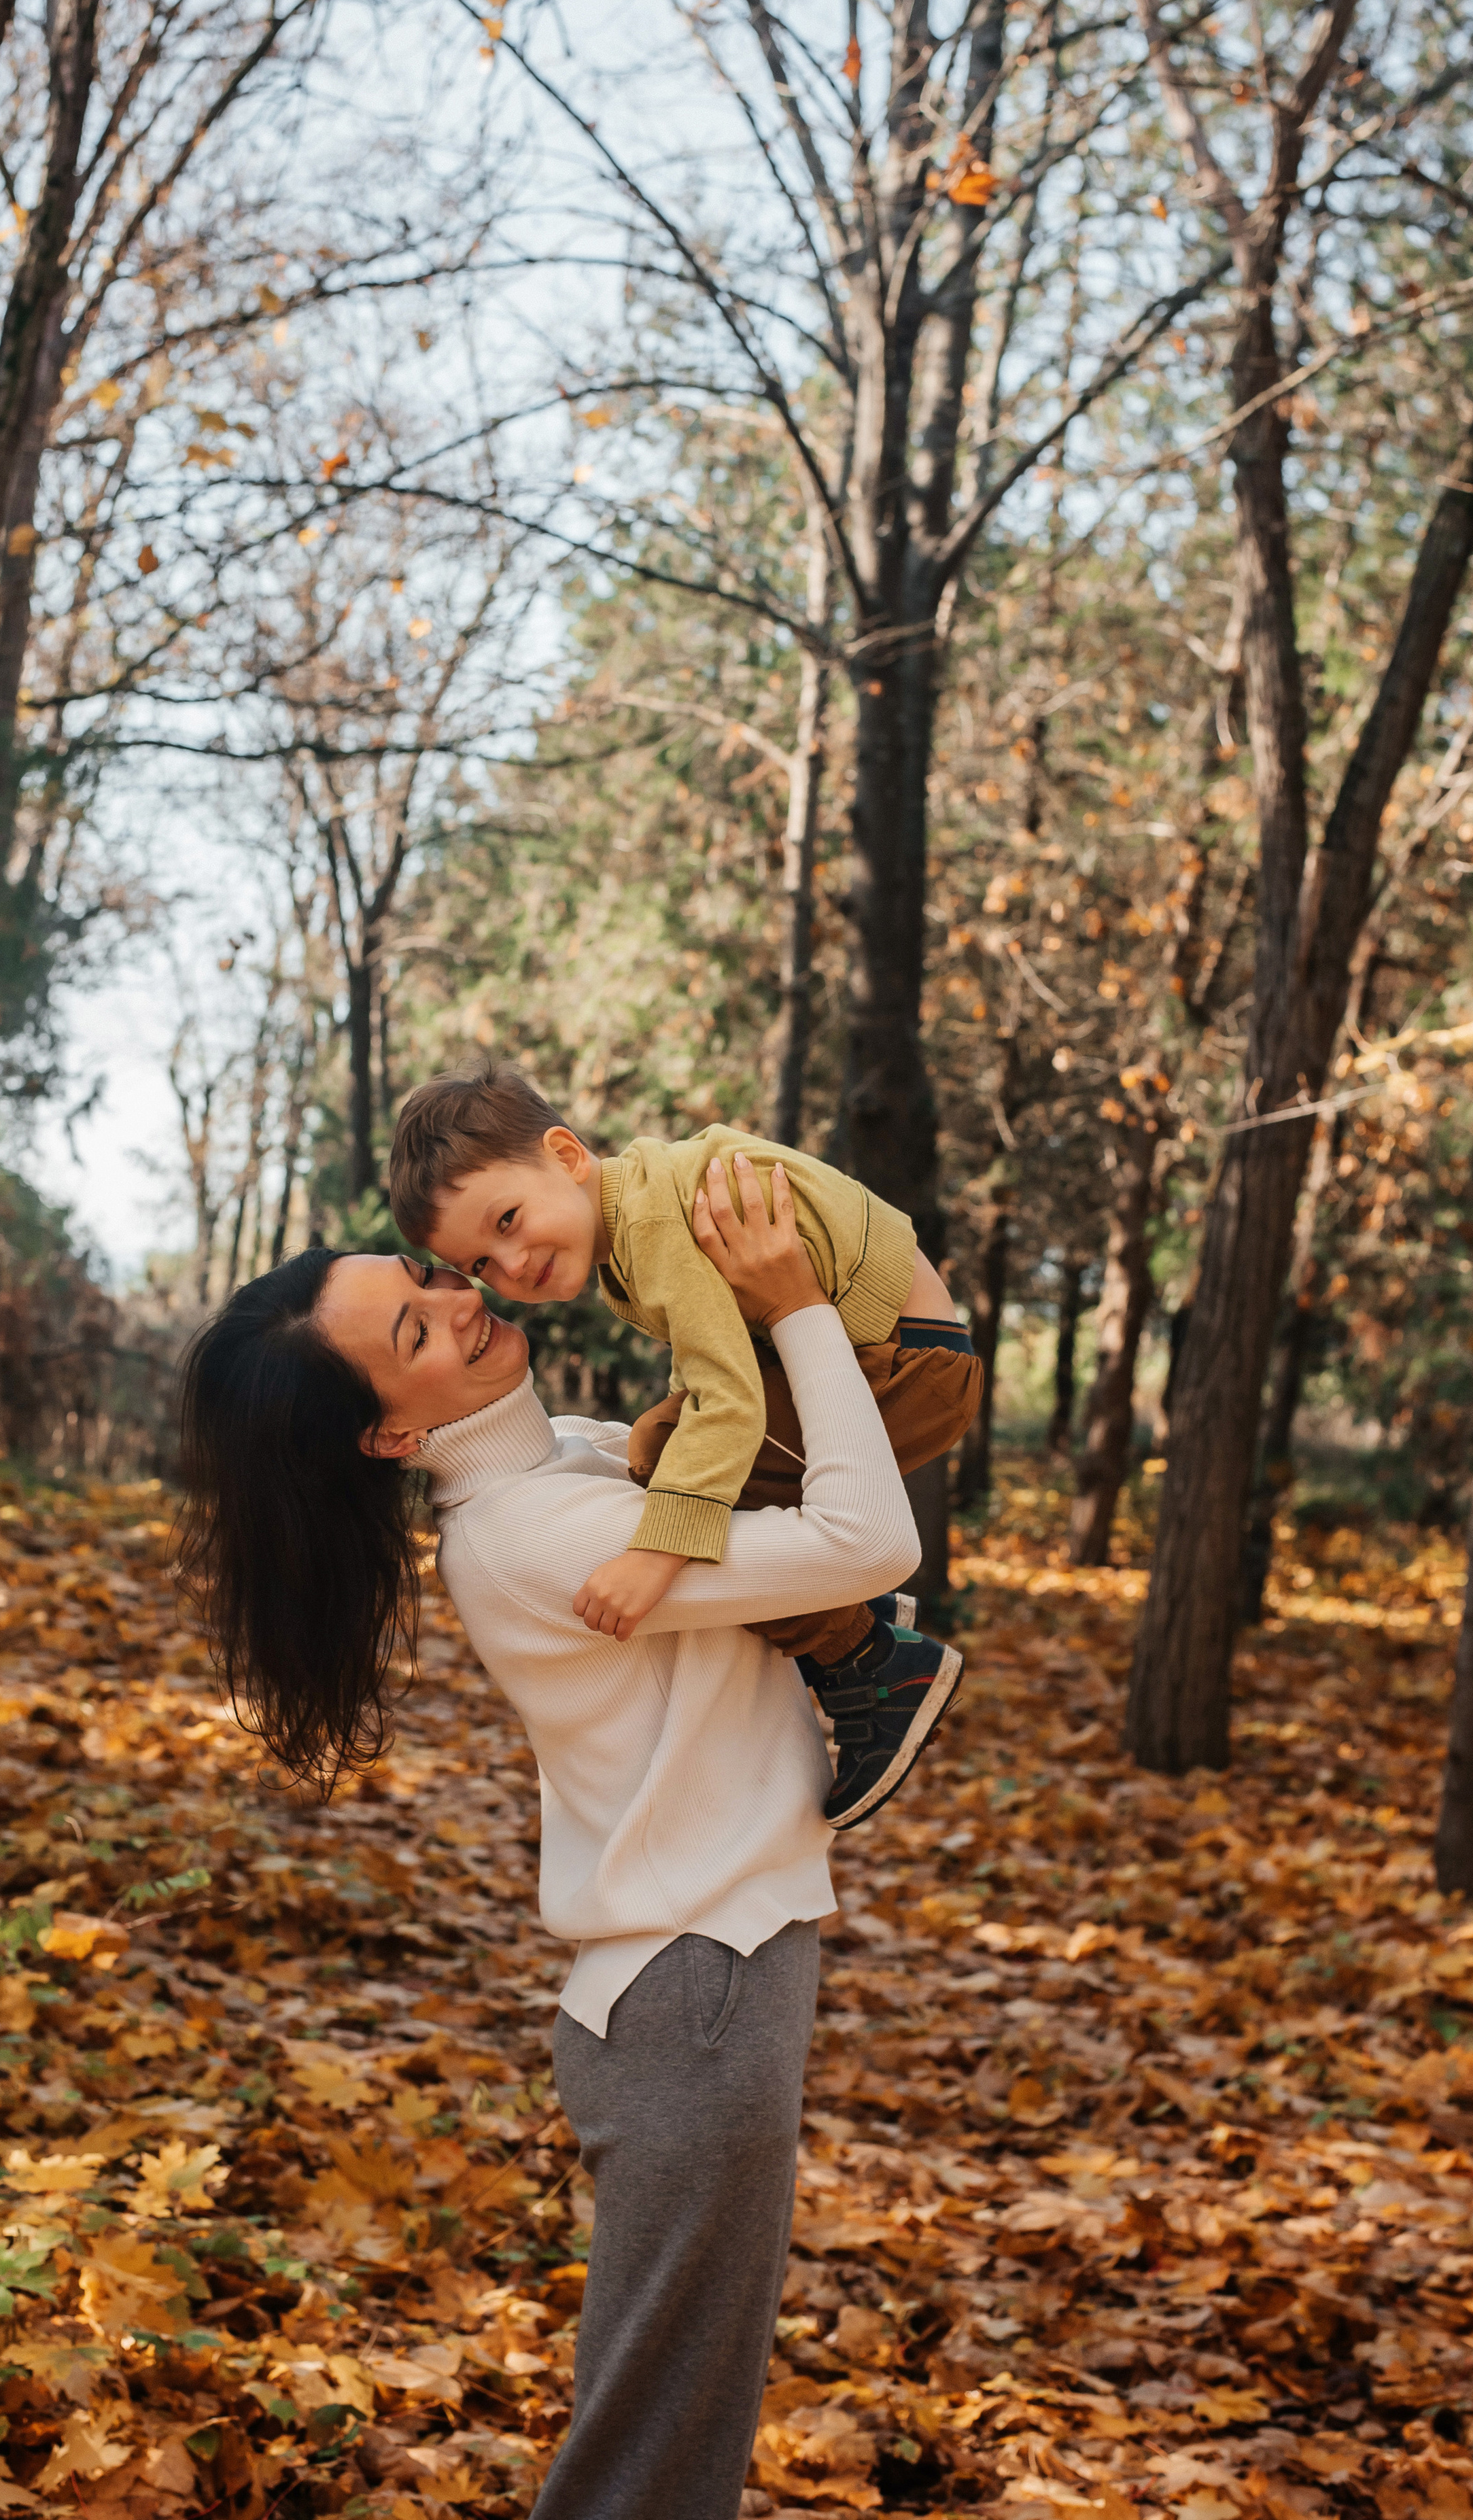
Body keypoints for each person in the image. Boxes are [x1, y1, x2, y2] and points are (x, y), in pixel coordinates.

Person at [175, 1164, 925, 2520]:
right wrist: (796, 1303)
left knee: (667, 2448)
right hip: (698, 1993)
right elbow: (867, 1542)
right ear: (389, 1440)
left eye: (423, 1280)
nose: (457, 1301)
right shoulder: (544, 1534)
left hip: (693, 1986)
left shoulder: (571, 1462)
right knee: (649, 2470)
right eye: (415, 1335)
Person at [387, 1063, 983, 1827]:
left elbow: (726, 1400)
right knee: (668, 1444)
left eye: (506, 1221)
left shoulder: (649, 1225)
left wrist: (655, 1556)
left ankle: (871, 1665)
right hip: (895, 1346)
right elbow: (718, 1364)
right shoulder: (635, 1211)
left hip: (905, 1365)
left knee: (668, 1452)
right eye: (478, 1265)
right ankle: (849, 1611)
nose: (508, 1269)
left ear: (566, 1157)